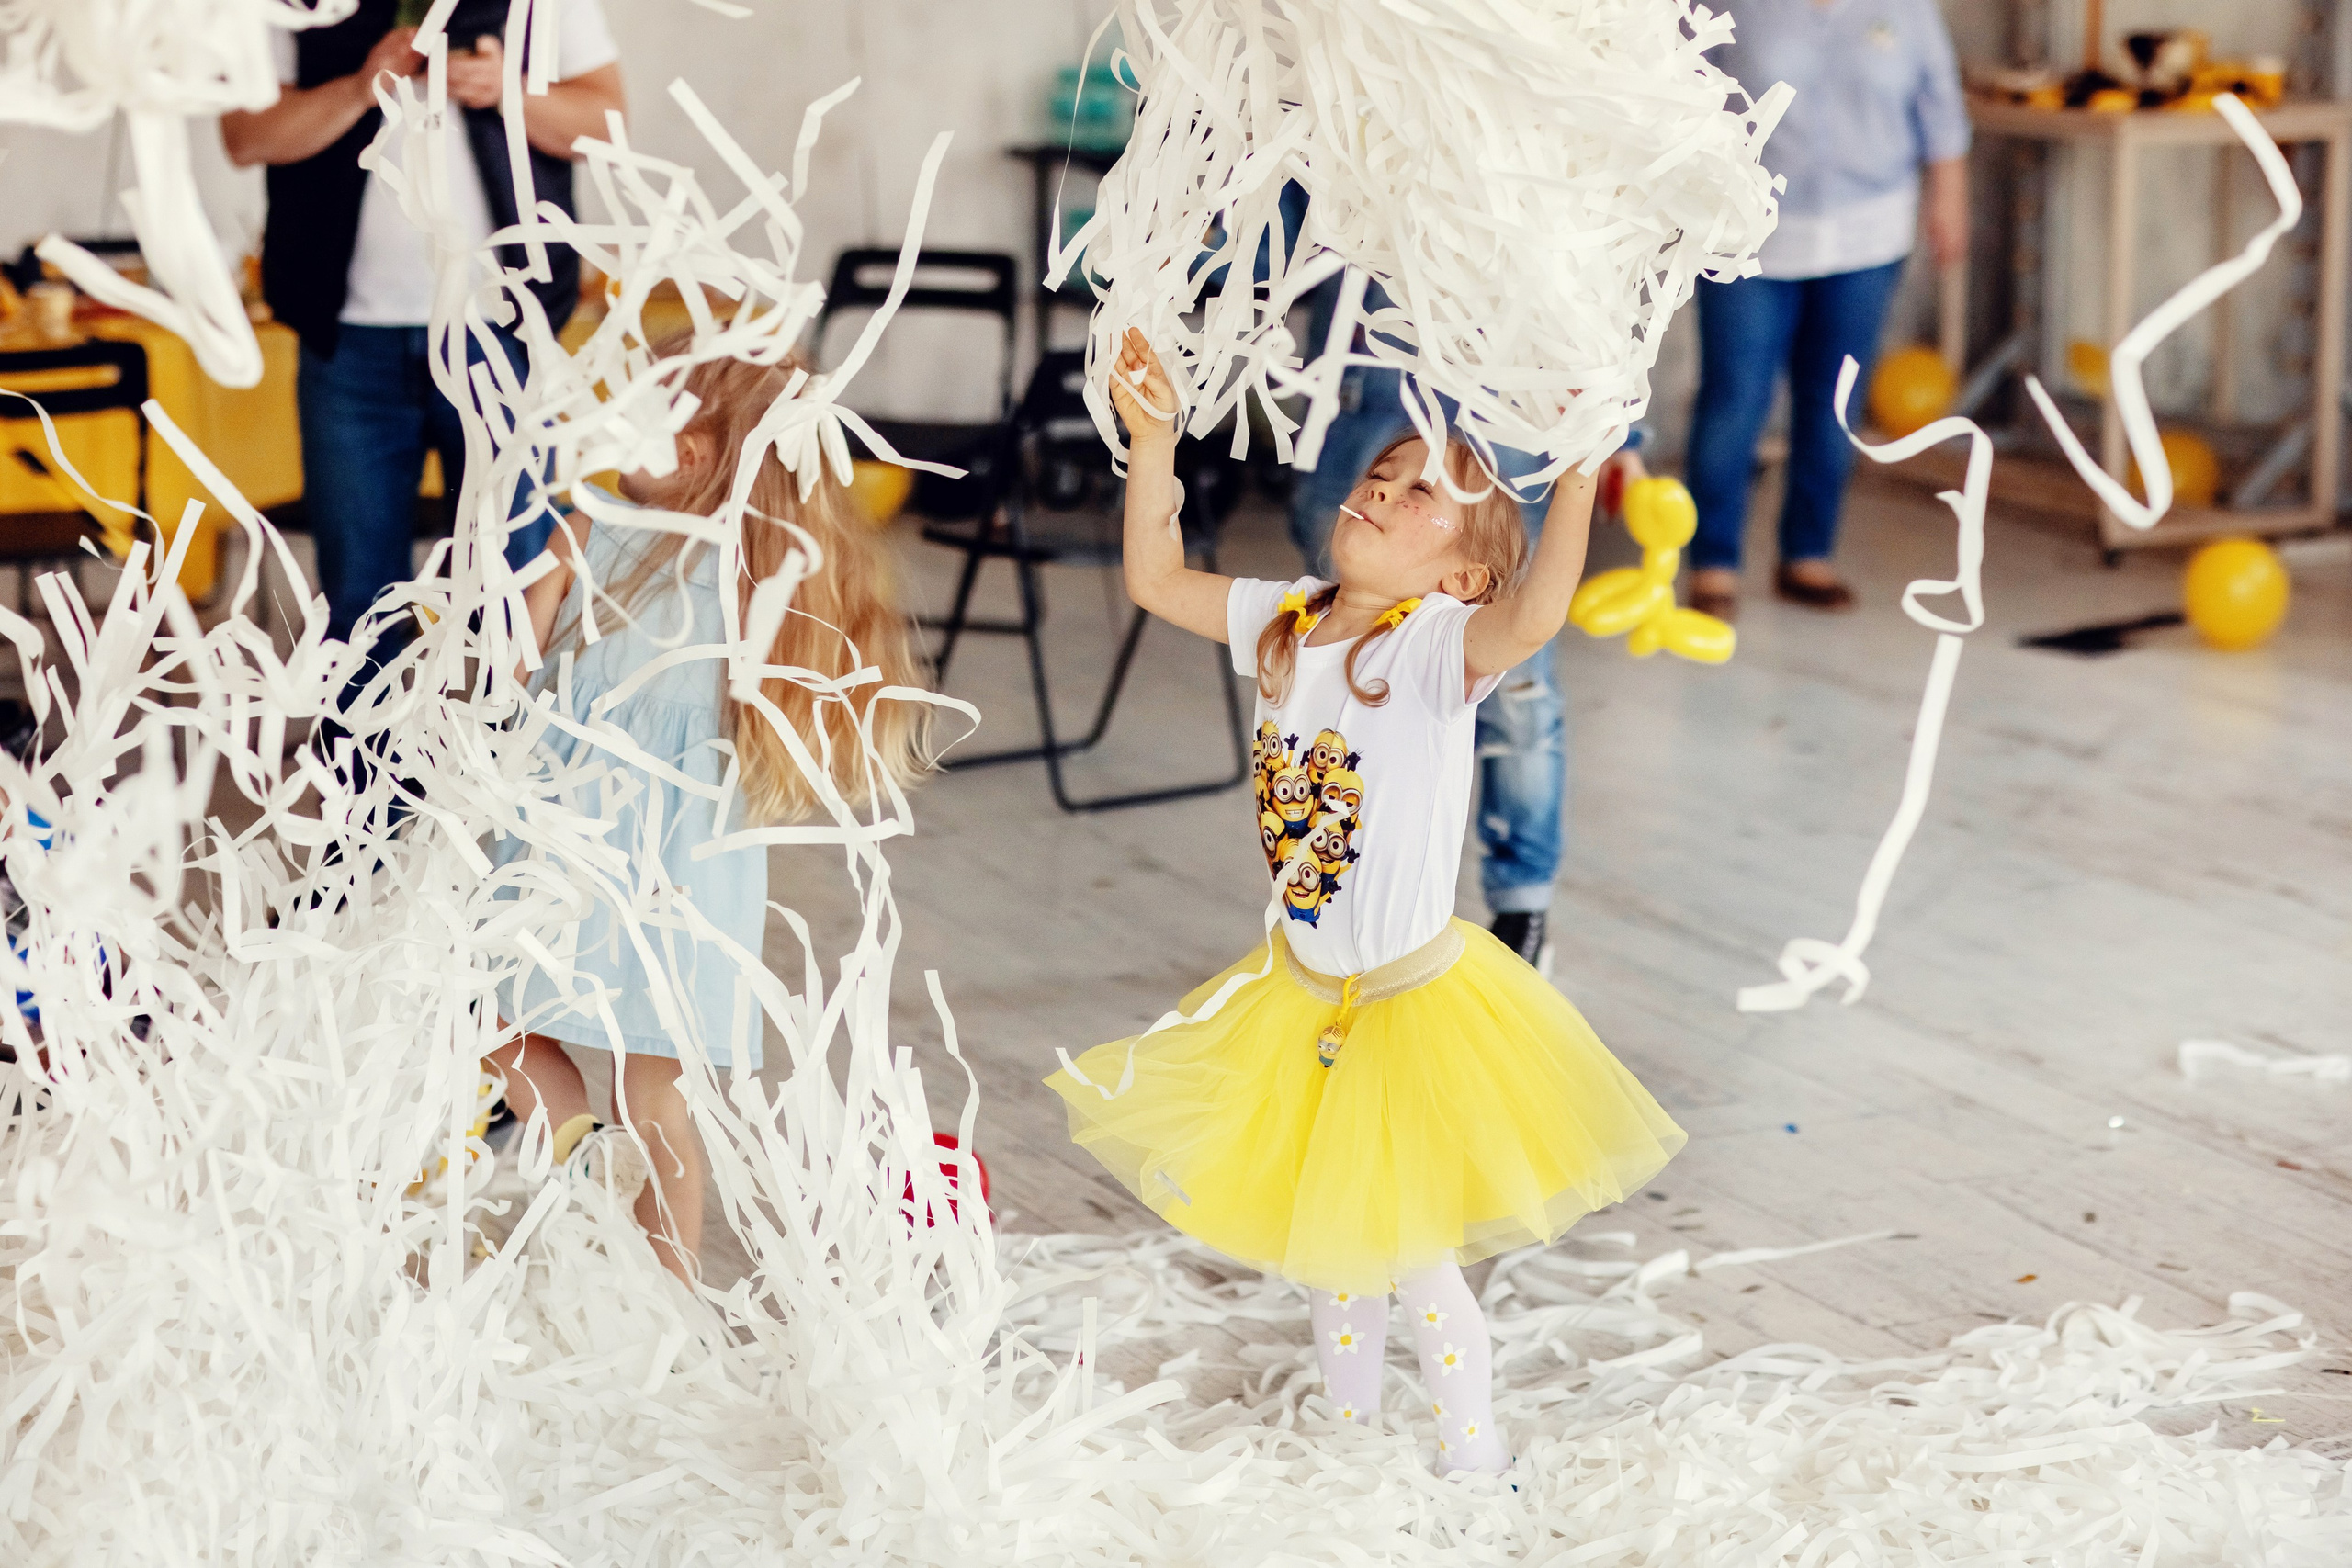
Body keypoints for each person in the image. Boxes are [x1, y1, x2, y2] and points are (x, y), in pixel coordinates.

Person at [1048, 331, 1685, 1475]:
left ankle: (1473, 1460)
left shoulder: (1441, 644)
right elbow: (1151, 578)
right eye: (1378, 480)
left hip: (1409, 1006)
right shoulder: (1289, 615)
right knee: (1338, 1246)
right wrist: (1153, 441)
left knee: (1417, 1255)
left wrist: (1581, 473)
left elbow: (1536, 617)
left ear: (1461, 576)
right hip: (1304, 994)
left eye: (1419, 498)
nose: (1379, 494)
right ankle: (1348, 1441)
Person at [485, 350, 928, 1284]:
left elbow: (508, 664)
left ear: (685, 452)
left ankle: (575, 1147)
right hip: (687, 867)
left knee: (492, 1012)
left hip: (567, 834)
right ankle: (669, 1291)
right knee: (660, 1090)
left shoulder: (591, 531)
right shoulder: (760, 570)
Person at [221, 0, 627, 646]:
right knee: (358, 604)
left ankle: (508, 747)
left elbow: (608, 124)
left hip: (502, 334)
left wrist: (506, 91)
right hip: (347, 336)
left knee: (513, 589)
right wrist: (359, 89)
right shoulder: (293, 7)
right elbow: (246, 136)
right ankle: (360, 750)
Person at [1290, 328, 1648, 973]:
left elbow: (1590, 285)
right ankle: (1353, 894)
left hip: (1511, 436)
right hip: (1372, 403)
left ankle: (1521, 905)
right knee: (1356, 693)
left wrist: (1611, 443)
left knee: (1517, 692)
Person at [1683, 0, 1971, 620]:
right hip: (1745, 234)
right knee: (1734, 395)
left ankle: (1808, 553)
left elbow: (1938, 101)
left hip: (1868, 231)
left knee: (1834, 398)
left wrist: (1949, 193)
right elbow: (1681, 90)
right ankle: (1712, 561)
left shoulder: (1907, 8)